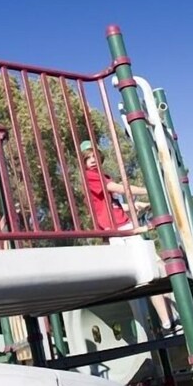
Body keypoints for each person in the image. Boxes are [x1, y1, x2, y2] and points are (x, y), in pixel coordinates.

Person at [79, 140, 176, 333]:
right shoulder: (90, 177)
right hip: (116, 232)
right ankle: (161, 323)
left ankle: (170, 320)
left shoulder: (103, 176)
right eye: (87, 158)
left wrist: (134, 206)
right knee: (143, 274)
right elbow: (120, 189)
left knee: (156, 269)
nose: (91, 161)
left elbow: (112, 205)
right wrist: (149, 190)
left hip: (125, 226)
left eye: (94, 156)